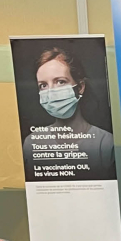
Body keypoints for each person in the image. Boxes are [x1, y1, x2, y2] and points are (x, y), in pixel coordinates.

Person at [21, 47, 115, 181]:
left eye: (60, 82)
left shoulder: (105, 143)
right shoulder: (32, 143)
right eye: (43, 85)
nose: (50, 92)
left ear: (80, 87)